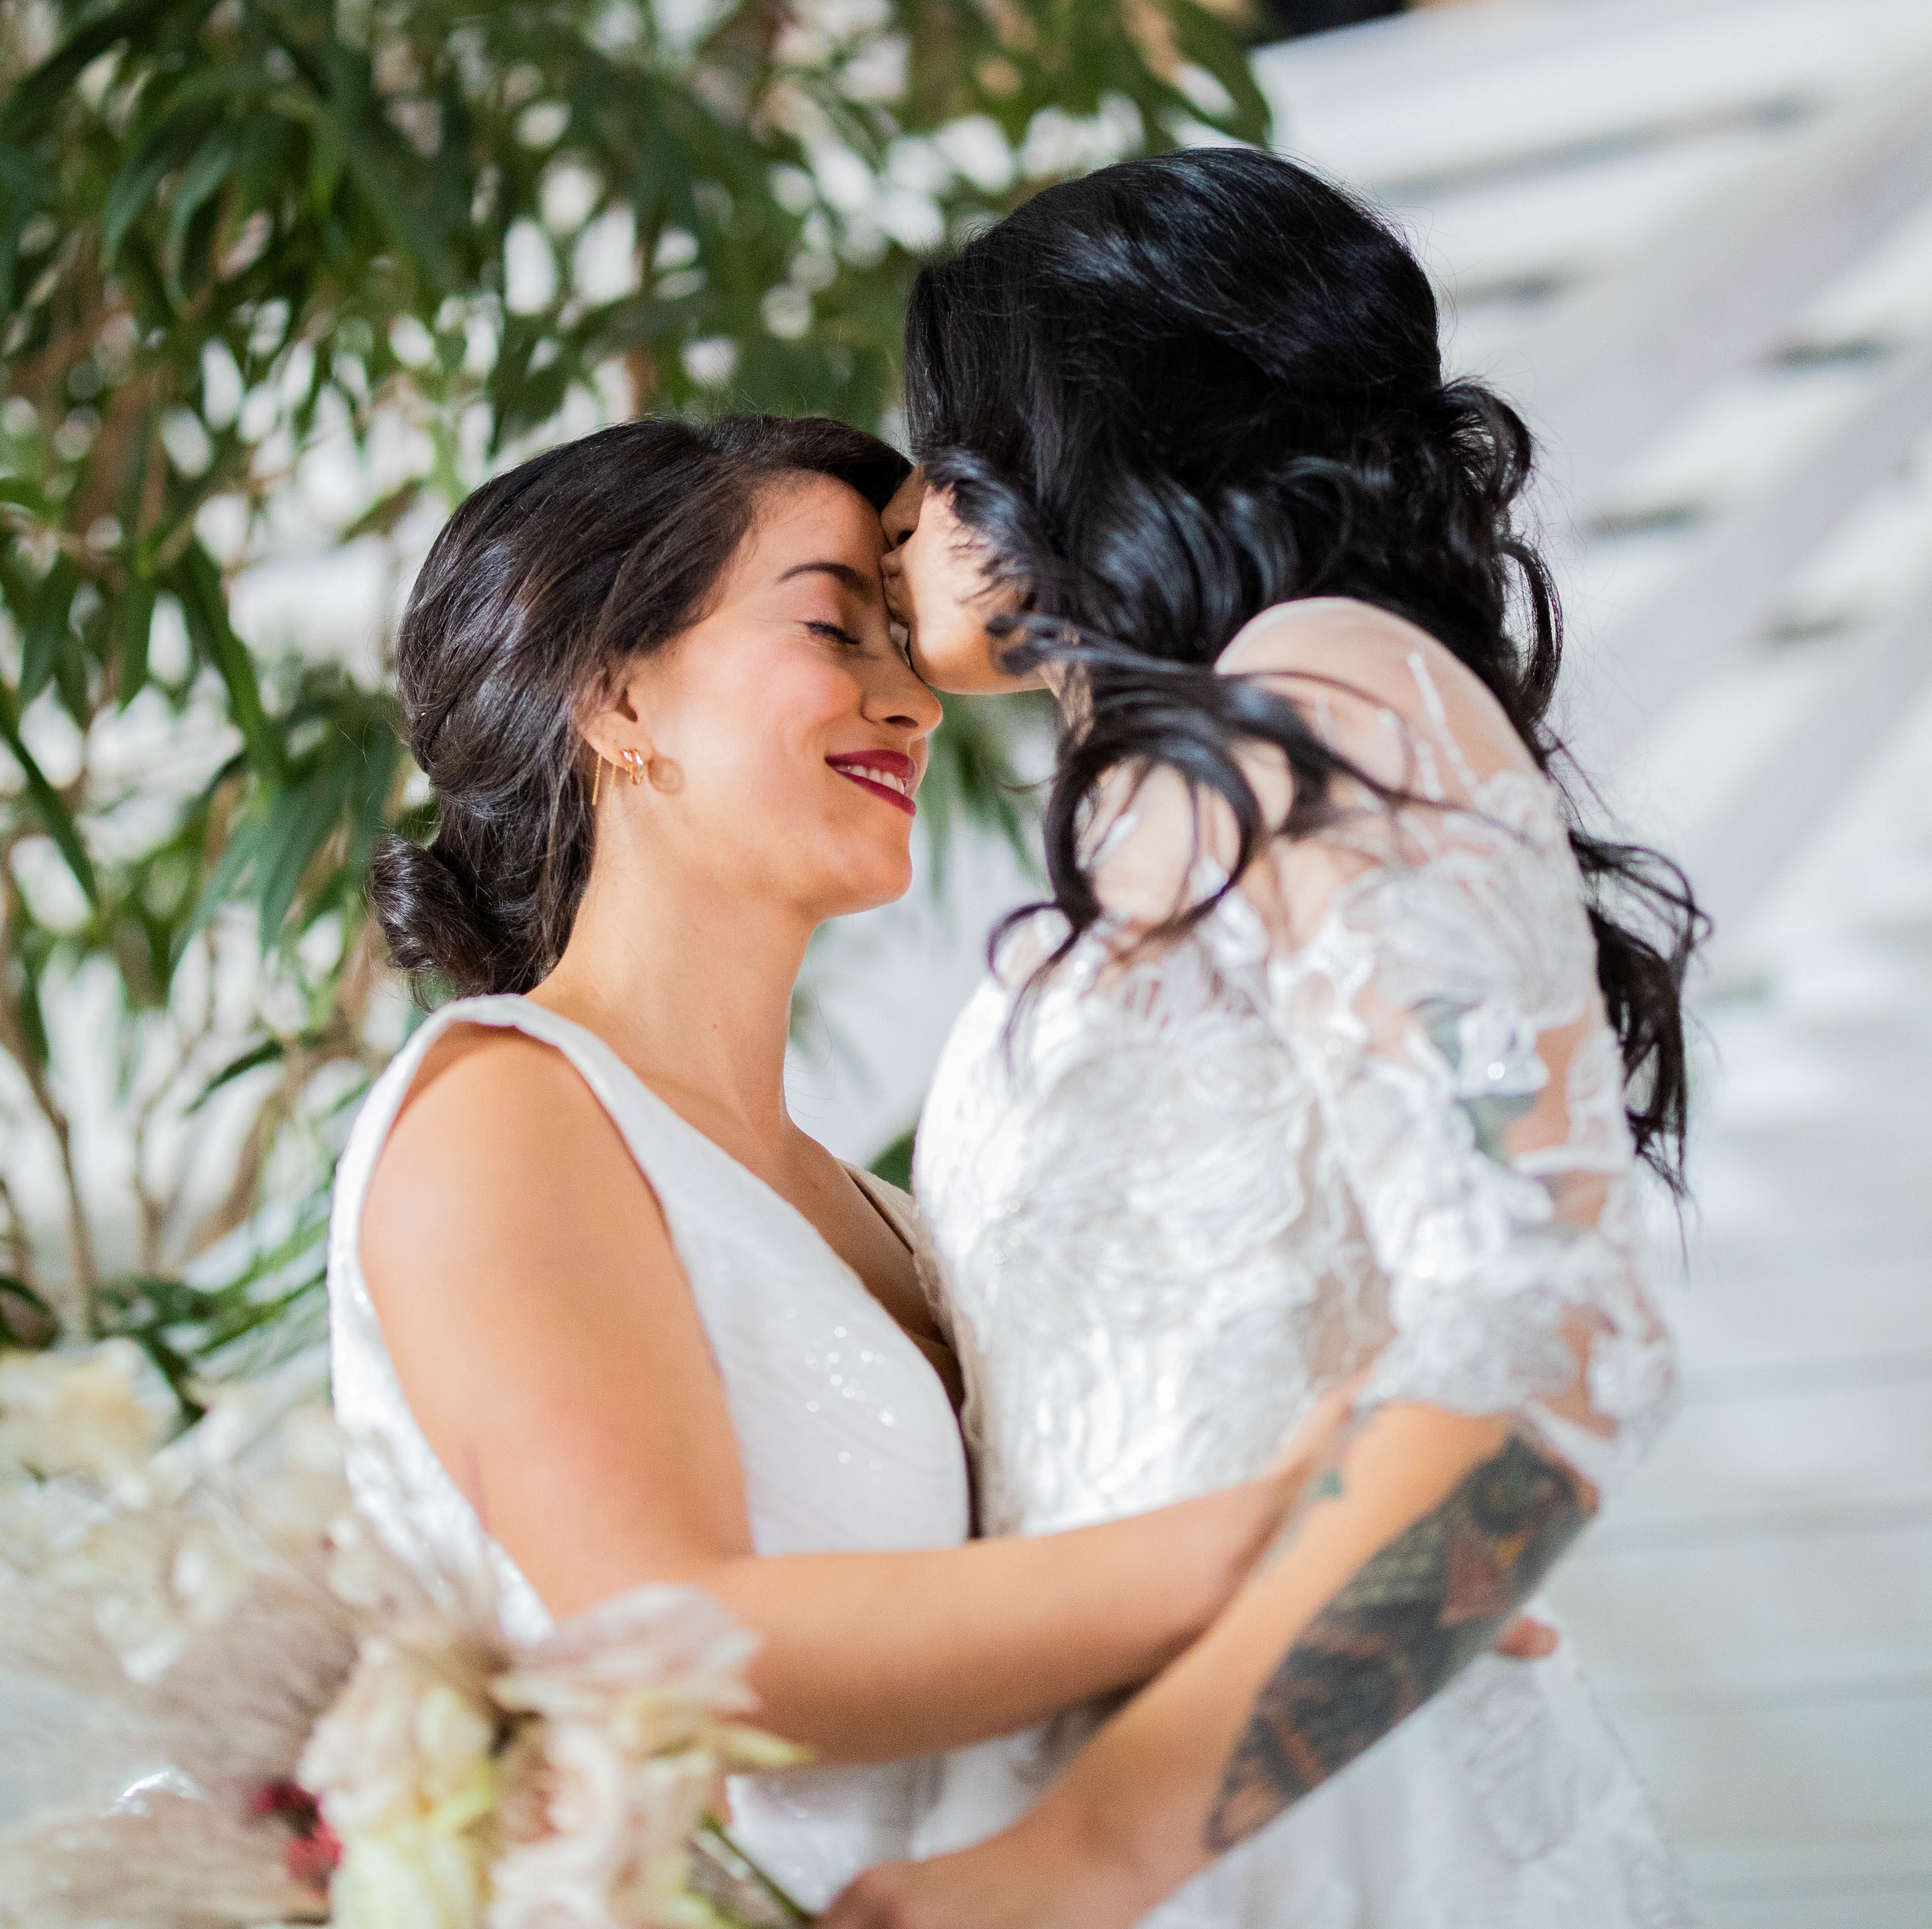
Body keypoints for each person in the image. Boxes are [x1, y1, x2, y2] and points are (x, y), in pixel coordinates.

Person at [831, 146, 1703, 1928]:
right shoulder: (1188, 781)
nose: (901, 514)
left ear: (1083, 440)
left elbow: (1555, 1328)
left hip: (1294, 1827)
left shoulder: (1322, 687)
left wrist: (1074, 1862)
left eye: (949, 450)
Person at [331, 414, 1344, 1910]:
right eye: (833, 627)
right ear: (612, 693)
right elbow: (667, 1649)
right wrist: (1282, 1540)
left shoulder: (884, 1212)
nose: (913, 706)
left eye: (905, 647)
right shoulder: (504, 1114)